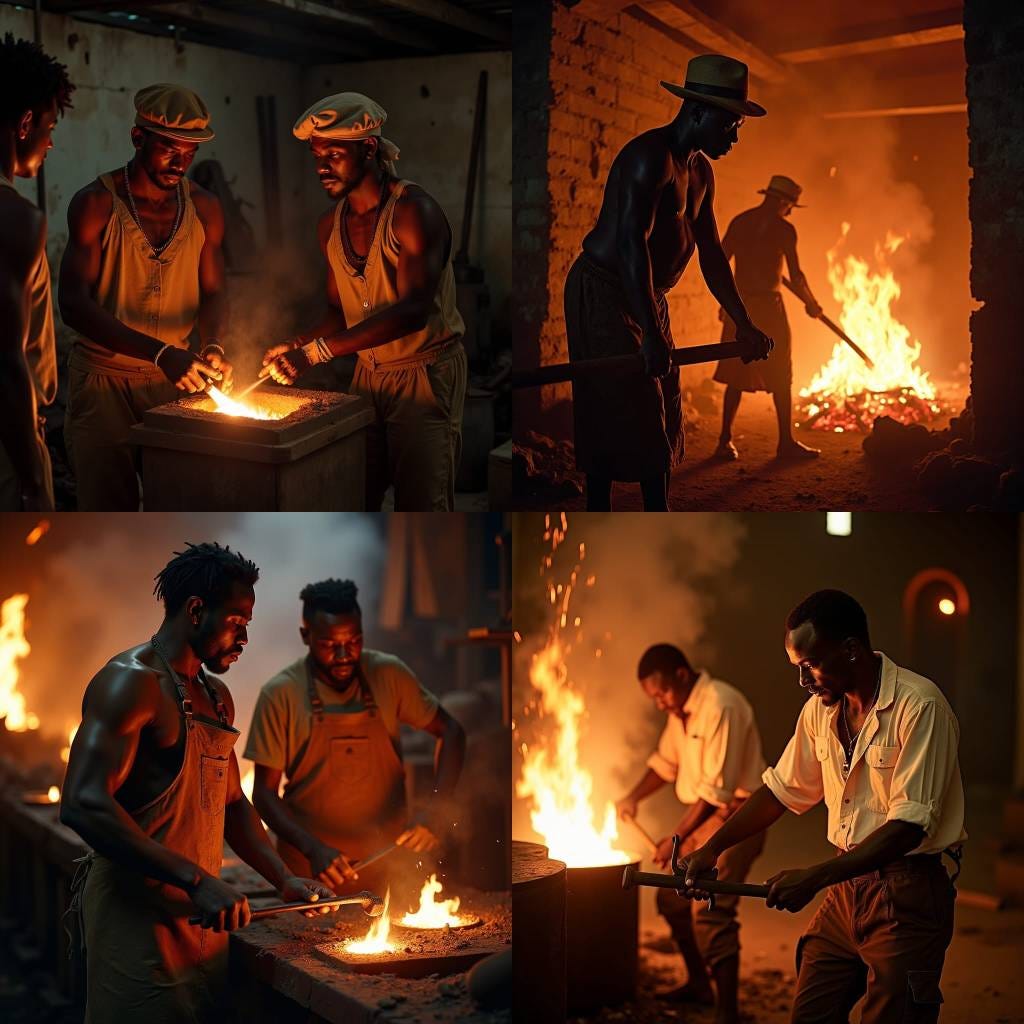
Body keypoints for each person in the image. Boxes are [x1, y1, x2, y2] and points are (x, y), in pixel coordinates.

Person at [61, 542, 336, 1023]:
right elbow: (83, 804)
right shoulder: (131, 683)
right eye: (236, 622)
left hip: (203, 922)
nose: (244, 637)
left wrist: (283, 877)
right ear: (194, 610)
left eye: (247, 624)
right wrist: (196, 879)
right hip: (136, 922)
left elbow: (231, 803)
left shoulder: (216, 696)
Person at [678, 589, 966, 1024]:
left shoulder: (919, 706)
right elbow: (779, 790)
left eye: (810, 665)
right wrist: (711, 848)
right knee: (811, 1010)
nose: (804, 681)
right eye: (798, 668)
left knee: (895, 1013)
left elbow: (909, 827)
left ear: (851, 649)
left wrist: (814, 878)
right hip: (846, 888)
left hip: (909, 894)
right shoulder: (819, 713)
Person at [565, 53, 774, 511]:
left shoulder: (700, 172)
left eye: (738, 126)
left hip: (647, 295)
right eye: (729, 124)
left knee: (661, 399)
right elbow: (629, 248)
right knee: (621, 400)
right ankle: (604, 511)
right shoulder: (648, 159)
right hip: (604, 291)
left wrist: (744, 322)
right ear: (697, 111)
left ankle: (657, 510)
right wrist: (650, 332)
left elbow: (712, 253)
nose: (735, 136)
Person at [261, 93, 467, 511]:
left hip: (423, 374)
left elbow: (412, 312)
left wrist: (315, 354)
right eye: (317, 155)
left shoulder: (413, 211)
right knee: (357, 494)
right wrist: (300, 343)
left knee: (421, 504)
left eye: (334, 154)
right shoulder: (330, 226)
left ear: (369, 147)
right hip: (367, 375)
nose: (322, 166)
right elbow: (340, 312)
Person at [59, 83, 233, 511]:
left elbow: (213, 292)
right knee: (107, 512)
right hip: (104, 383)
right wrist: (159, 354)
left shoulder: (204, 208)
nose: (181, 162)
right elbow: (73, 304)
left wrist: (211, 345)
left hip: (176, 381)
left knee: (177, 504)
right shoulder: (97, 204)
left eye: (190, 152)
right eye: (170, 148)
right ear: (139, 139)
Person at [246, 578, 466, 899]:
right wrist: (312, 848)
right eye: (329, 644)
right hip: (311, 873)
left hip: (388, 862)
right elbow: (264, 794)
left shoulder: (388, 674)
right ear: (306, 636)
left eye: (354, 641)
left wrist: (435, 810)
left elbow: (452, 732)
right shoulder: (280, 694)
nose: (344, 655)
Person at [616, 643, 765, 1024]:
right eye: (653, 697)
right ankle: (700, 984)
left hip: (737, 821)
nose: (659, 703)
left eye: (662, 692)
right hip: (704, 820)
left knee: (711, 911)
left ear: (682, 675)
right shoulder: (680, 712)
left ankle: (727, 1013)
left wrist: (674, 840)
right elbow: (665, 765)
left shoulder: (721, 705)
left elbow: (715, 794)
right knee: (671, 900)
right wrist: (631, 796)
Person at [0, 34, 74, 510]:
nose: (49, 142)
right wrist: (31, 476)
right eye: (49, 127)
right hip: (7, 442)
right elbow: (4, 364)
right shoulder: (14, 218)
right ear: (25, 122)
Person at [712, 174, 823, 460]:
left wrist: (727, 302)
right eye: (790, 207)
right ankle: (785, 443)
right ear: (784, 202)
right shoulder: (784, 230)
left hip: (740, 307)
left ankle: (724, 441)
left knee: (737, 370)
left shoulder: (740, 222)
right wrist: (812, 303)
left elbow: (718, 263)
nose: (789, 211)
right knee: (781, 373)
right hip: (769, 308)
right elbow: (796, 276)